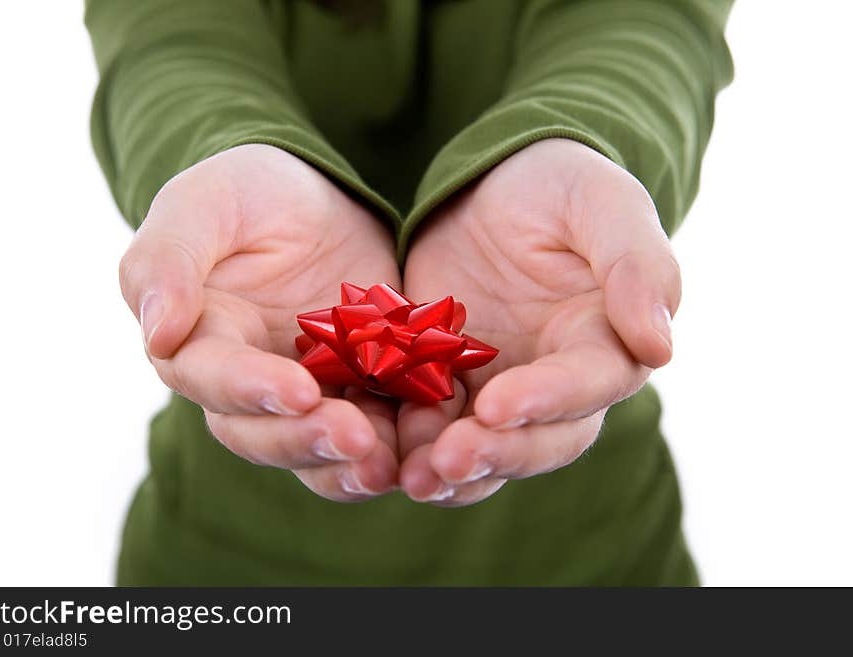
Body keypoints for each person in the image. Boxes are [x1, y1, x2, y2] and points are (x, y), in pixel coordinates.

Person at [86, 0, 733, 585]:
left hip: (600, 557)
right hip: (215, 562)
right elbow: (166, 36)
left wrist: (583, 139)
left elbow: (647, 19)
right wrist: (217, 152)